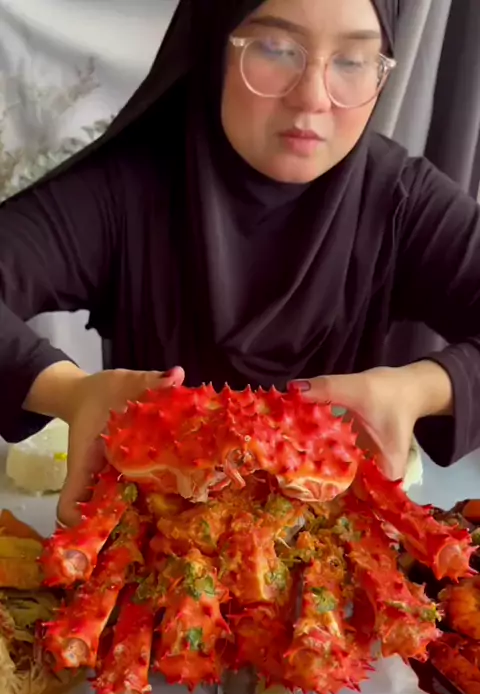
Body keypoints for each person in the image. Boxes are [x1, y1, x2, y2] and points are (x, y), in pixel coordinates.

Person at [1, 0, 479, 527]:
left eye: (352, 60)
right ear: (215, 46)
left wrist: (421, 389)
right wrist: (69, 392)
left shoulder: (402, 201)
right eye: (275, 48)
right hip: (151, 534)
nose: (313, 97)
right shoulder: (122, 191)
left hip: (335, 540)